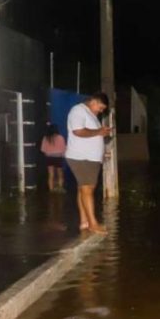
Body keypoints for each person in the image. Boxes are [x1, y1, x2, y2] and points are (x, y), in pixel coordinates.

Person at [65, 92, 111, 234]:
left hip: (90, 158)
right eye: (101, 107)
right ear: (94, 101)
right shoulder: (78, 111)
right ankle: (93, 223)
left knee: (83, 189)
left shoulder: (91, 115)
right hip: (81, 157)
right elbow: (78, 131)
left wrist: (101, 151)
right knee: (87, 189)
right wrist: (99, 131)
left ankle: (84, 222)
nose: (101, 111)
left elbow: (92, 136)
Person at [40, 123, 66, 193]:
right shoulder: (60, 138)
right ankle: (60, 188)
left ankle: (51, 189)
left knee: (51, 174)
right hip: (58, 158)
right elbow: (63, 148)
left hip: (49, 158)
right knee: (60, 174)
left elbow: (43, 149)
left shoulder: (46, 138)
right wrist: (63, 156)